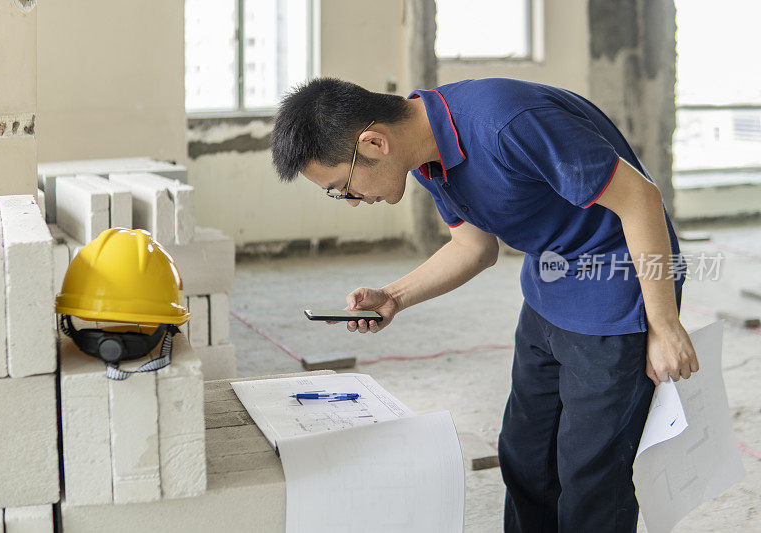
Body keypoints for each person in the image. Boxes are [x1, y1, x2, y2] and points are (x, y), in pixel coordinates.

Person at [271, 77, 699, 532]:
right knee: (526, 458)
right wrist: (392, 297)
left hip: (615, 291)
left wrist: (665, 325)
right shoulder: (425, 153)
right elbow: (474, 247)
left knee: (590, 477)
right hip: (548, 285)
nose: (351, 202)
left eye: (343, 186)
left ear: (374, 143)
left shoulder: (507, 124)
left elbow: (640, 199)